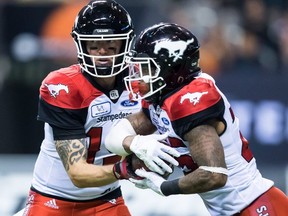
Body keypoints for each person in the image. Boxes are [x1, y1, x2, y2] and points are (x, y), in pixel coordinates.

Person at [105, 23, 288, 215]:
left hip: (255, 206)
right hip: (231, 210)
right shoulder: (160, 99)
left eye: (146, 68)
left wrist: (164, 187)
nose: (140, 76)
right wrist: (136, 144)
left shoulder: (190, 100)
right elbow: (117, 134)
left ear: (172, 68)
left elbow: (214, 175)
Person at [21, 1, 178, 216]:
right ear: (81, 45)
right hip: (53, 200)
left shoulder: (141, 81)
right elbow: (78, 174)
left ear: (125, 45)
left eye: (111, 45)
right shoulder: (63, 86)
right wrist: (127, 168)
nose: (102, 53)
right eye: (94, 46)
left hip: (107, 199)